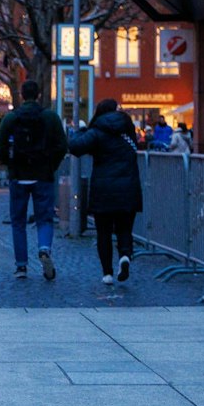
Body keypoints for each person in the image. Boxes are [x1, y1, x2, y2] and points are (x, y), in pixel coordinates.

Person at [0, 80, 69, 281]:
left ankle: (21, 266)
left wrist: (9, 163)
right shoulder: (50, 117)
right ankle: (44, 248)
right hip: (43, 175)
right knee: (45, 218)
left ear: (22, 95)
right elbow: (62, 145)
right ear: (39, 95)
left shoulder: (11, 118)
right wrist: (52, 165)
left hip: (19, 175)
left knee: (18, 222)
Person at [70, 98, 145, 284]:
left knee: (103, 232)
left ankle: (107, 273)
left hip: (103, 189)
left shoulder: (96, 132)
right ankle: (125, 256)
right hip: (128, 186)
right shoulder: (128, 128)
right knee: (124, 227)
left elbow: (75, 147)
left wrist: (80, 130)